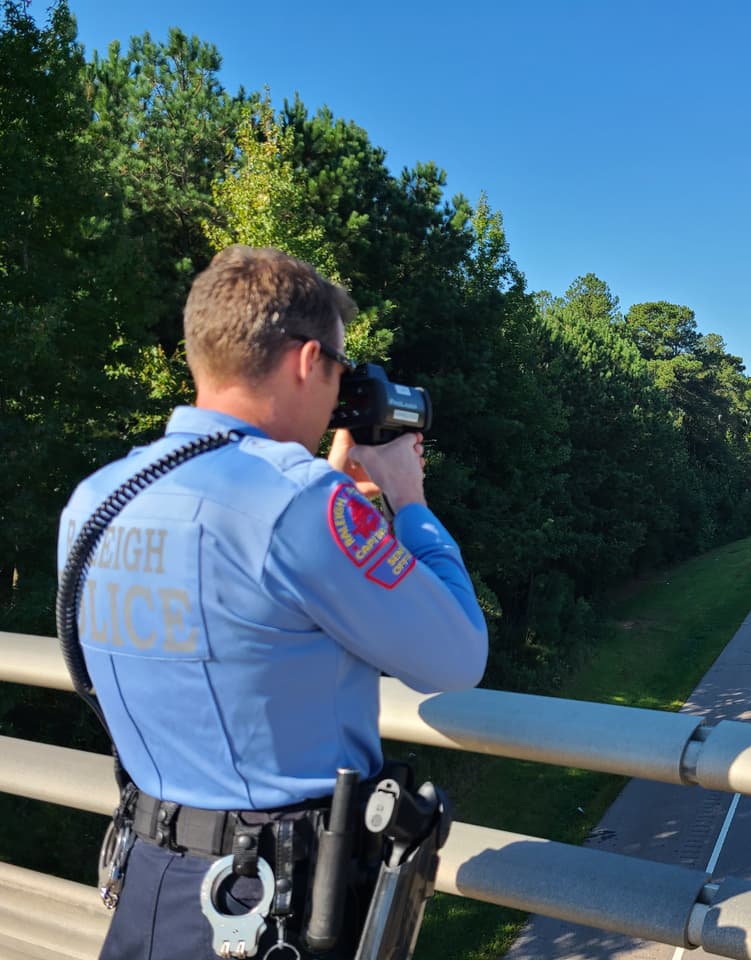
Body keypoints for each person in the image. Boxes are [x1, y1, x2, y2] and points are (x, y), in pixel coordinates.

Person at [57, 245, 488, 959]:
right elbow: (457, 655)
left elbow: (236, 611)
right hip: (268, 906)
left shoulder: (98, 498)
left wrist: (325, 490)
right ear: (306, 359)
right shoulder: (300, 505)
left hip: (149, 881)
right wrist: (407, 501)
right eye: (340, 371)